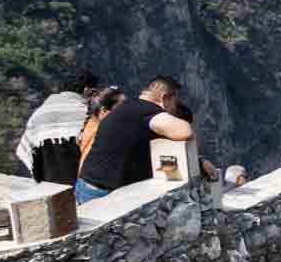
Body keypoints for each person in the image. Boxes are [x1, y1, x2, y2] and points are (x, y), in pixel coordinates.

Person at [74, 75, 193, 204]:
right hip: (102, 193)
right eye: (175, 102)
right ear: (165, 98)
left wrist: (198, 160)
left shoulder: (129, 108)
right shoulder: (145, 110)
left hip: (88, 186)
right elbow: (184, 131)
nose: (174, 109)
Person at [15, 76, 93, 184]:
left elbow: (25, 149)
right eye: (94, 91)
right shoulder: (85, 113)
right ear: (86, 90)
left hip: (48, 181)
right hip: (78, 180)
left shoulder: (40, 112)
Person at [77, 86, 124, 171]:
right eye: (122, 107)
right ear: (104, 111)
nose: (128, 109)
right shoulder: (102, 132)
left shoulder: (91, 124)